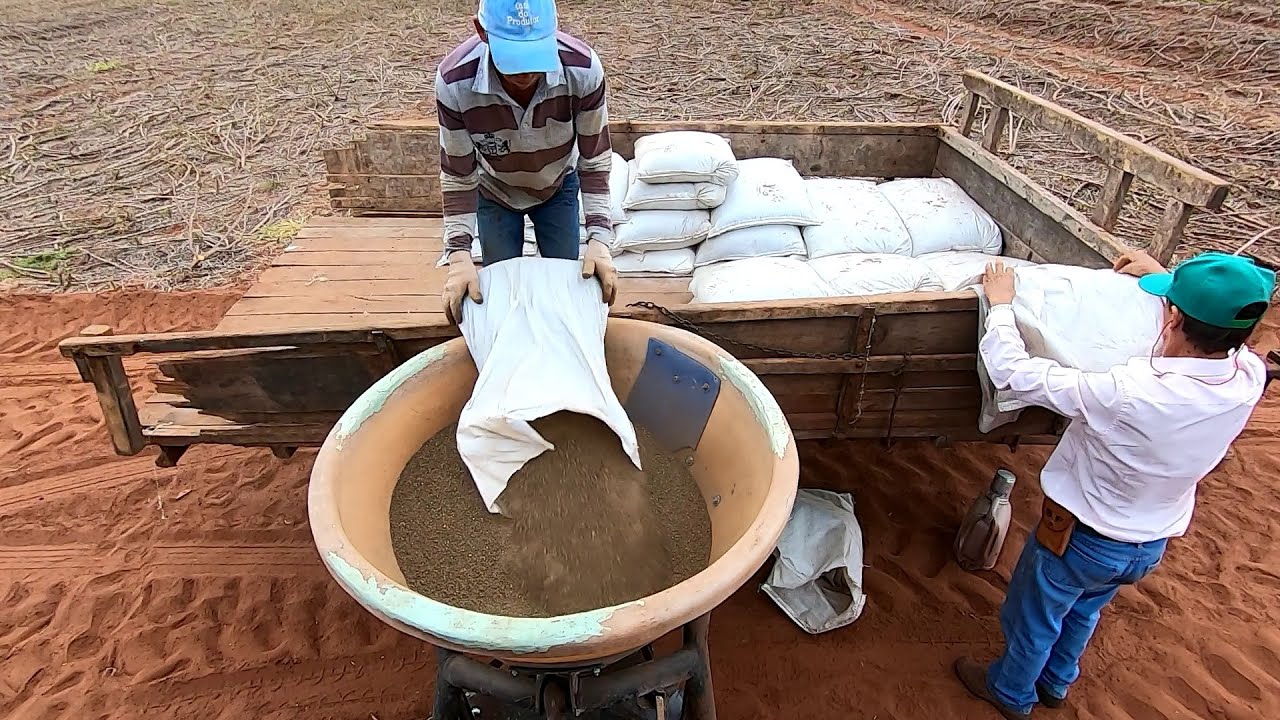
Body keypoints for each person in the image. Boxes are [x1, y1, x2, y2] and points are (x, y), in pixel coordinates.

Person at [954, 249, 1275, 719]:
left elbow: (1012, 373)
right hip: (1148, 542)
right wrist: (1167, 280)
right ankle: (1057, 682)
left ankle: (1010, 690)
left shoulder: (1130, 392)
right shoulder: (1247, 376)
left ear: (1174, 318)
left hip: (1081, 538)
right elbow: (1229, 338)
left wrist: (1001, 306)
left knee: (1032, 617)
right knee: (1083, 610)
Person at [435, 0, 618, 324]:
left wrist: (599, 239)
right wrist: (460, 255)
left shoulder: (582, 71)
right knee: (500, 292)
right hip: (494, 191)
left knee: (565, 287)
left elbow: (594, 160)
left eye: (534, 55)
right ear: (482, 32)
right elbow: (459, 175)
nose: (526, 72)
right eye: (514, 58)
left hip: (558, 185)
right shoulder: (455, 83)